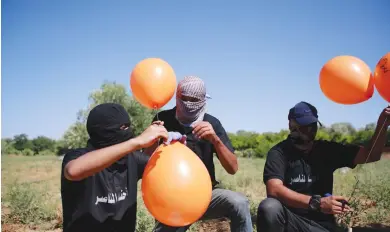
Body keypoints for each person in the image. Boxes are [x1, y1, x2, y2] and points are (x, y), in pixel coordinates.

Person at [256, 101, 390, 232]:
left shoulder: (327, 150)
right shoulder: (279, 153)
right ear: (291, 125)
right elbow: (274, 189)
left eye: (312, 124)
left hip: (322, 225)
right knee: (269, 207)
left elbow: (371, 155)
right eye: (304, 125)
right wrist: (317, 203)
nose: (309, 129)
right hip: (291, 222)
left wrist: (383, 123)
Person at [144, 76, 253, 232]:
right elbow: (145, 162)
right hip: (172, 199)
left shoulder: (212, 123)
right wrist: (152, 140)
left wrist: (215, 139)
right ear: (176, 96)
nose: (188, 104)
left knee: (239, 202)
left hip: (207, 195)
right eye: (184, 99)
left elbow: (233, 168)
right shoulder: (163, 120)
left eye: (193, 100)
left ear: (203, 100)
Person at [60, 103, 186, 232]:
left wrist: (169, 145)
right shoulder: (78, 157)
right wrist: (137, 142)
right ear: (102, 130)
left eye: (127, 126)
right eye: (122, 127)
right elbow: (72, 171)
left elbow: (162, 168)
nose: (127, 131)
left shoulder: (132, 159)